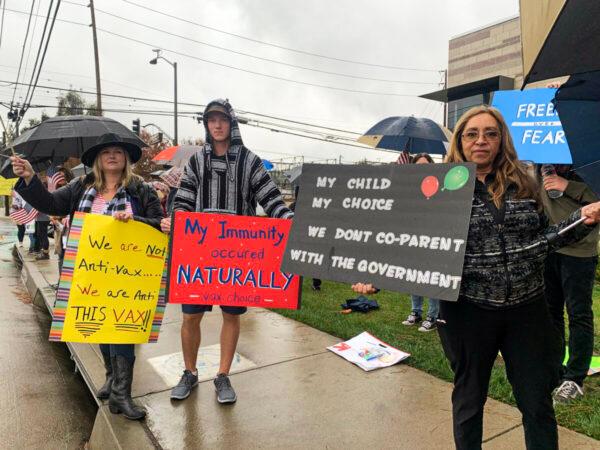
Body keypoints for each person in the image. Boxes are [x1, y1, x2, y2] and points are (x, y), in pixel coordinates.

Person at [352, 105, 600, 449]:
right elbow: (414, 246)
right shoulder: (440, 189)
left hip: (527, 313)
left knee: (537, 405)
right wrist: (375, 276)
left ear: (501, 141)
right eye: (472, 133)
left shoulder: (525, 186)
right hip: (468, 312)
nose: (481, 140)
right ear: (461, 141)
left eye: (490, 133)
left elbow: (546, 239)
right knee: (468, 404)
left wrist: (580, 220)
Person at [11, 133, 164, 421]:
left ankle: (121, 392)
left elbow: (159, 225)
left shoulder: (140, 189)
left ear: (126, 158)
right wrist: (31, 177)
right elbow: (51, 205)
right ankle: (111, 379)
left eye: (118, 151)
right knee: (101, 328)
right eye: (106, 151)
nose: (112, 155)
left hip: (128, 273)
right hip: (89, 271)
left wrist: (136, 221)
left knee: (123, 331)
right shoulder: (81, 186)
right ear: (97, 159)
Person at [161, 99, 293, 403]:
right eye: (211, 120)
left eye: (222, 119)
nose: (217, 125)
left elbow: (271, 199)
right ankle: (190, 372)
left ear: (231, 123)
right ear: (206, 125)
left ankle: (222, 375)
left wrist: (290, 221)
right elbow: (183, 200)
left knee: (231, 316)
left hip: (238, 255)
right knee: (190, 317)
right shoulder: (195, 162)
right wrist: (177, 221)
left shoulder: (250, 161)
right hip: (198, 253)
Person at [537, 164, 599, 404]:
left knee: (578, 314)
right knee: (551, 313)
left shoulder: (590, 165)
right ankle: (554, 369)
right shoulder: (540, 166)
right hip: (549, 248)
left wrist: (568, 186)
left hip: (580, 253)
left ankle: (575, 378)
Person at [401, 153, 442, 332]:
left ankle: (433, 316)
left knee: (431, 278)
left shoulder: (440, 188)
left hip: (433, 240)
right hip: (413, 240)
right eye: (418, 166)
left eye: (426, 165)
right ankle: (415, 312)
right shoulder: (409, 190)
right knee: (414, 278)